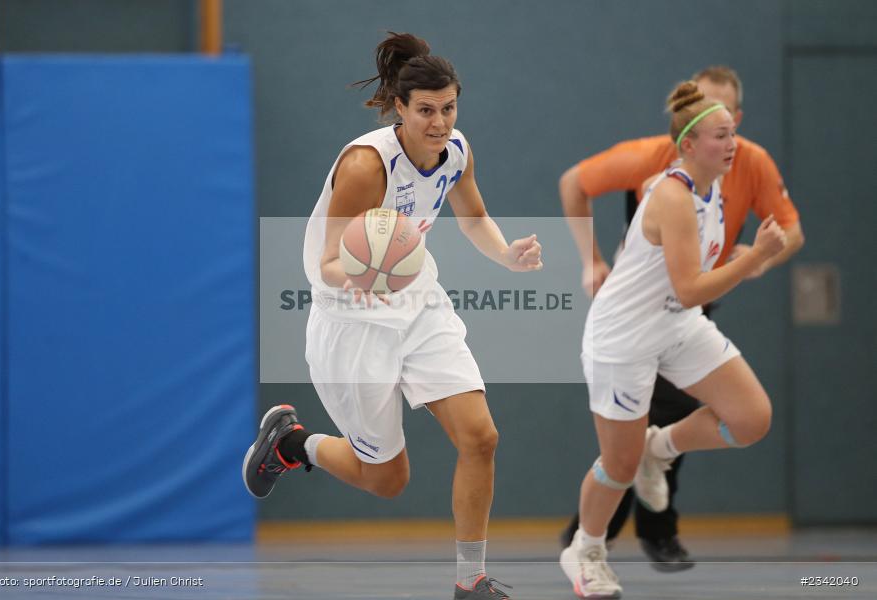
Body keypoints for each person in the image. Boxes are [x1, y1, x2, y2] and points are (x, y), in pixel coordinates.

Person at [243, 32, 542, 600]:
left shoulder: (457, 151)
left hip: (418, 303)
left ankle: (470, 581)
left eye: (448, 108)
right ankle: (293, 444)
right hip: (351, 319)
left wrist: (507, 254)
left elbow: (473, 217)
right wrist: (368, 276)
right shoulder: (365, 166)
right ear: (399, 108)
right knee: (387, 480)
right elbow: (329, 264)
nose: (439, 122)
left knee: (480, 437)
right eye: (426, 110)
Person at [559, 66, 804, 571]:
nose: (732, 143)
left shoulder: (727, 172)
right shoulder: (670, 188)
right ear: (688, 142)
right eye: (719, 133)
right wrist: (754, 259)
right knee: (619, 463)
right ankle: (585, 549)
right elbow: (690, 284)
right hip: (627, 331)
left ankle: (661, 449)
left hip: (679, 318)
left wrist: (761, 256)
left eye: (732, 129)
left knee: (751, 418)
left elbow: (783, 233)